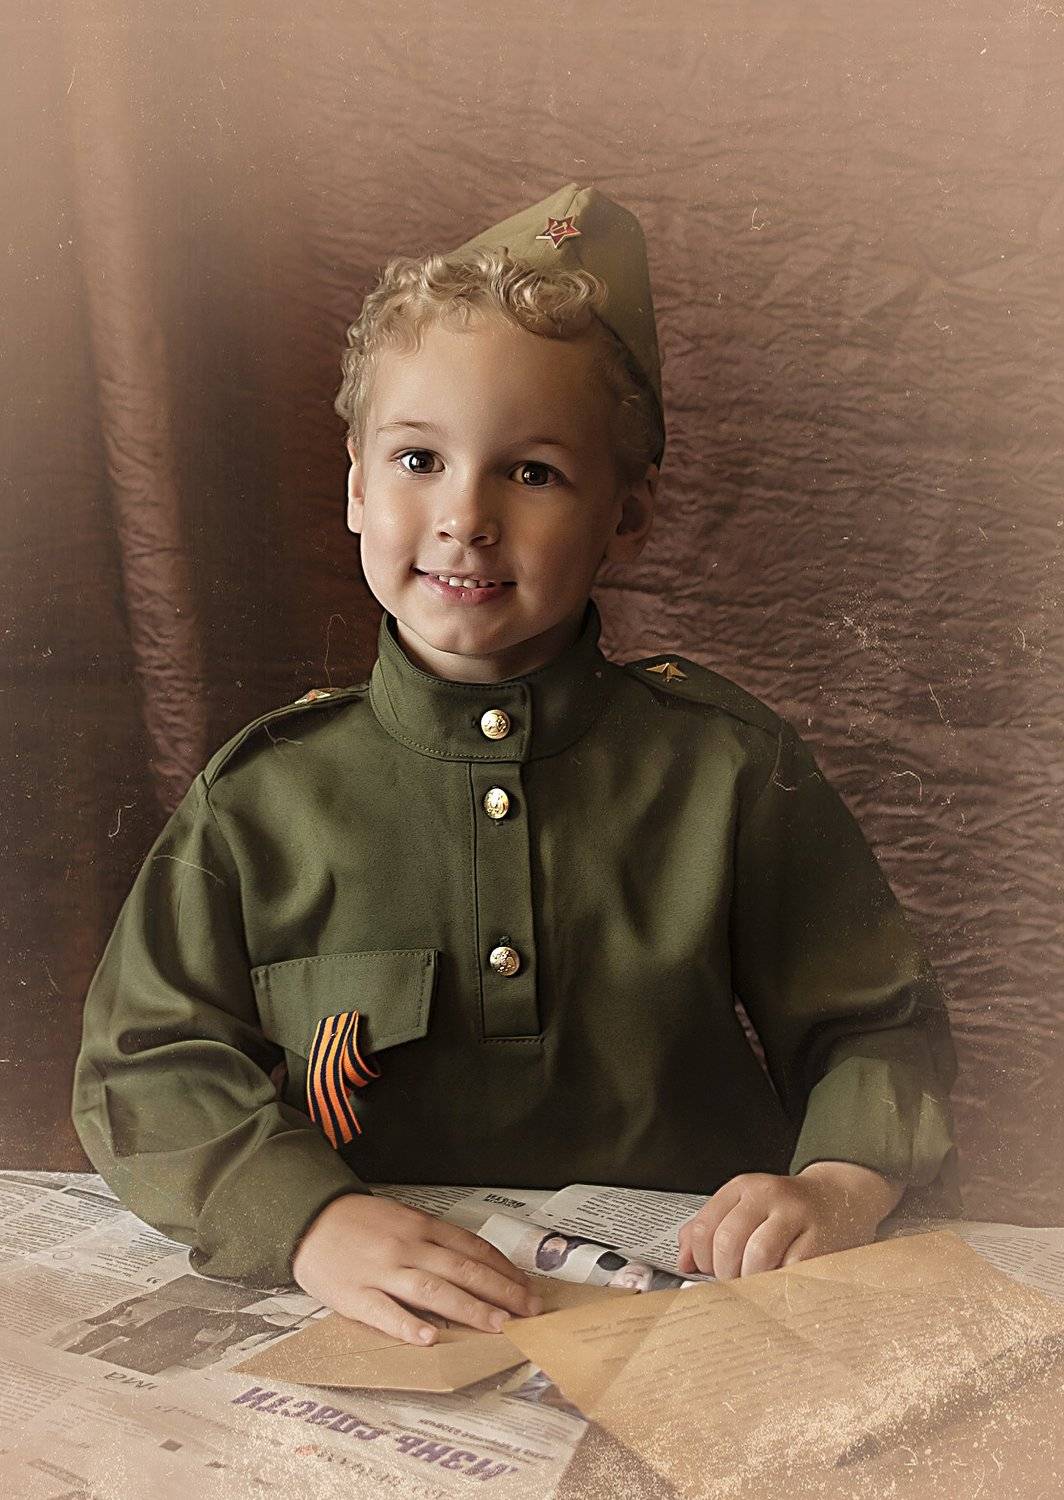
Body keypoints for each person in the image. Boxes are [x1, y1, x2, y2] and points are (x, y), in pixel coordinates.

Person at [72, 182, 960, 1351]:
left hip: (689, 1314)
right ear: (354, 487)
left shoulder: (728, 769)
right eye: (417, 459)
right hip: (385, 1327)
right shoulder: (261, 797)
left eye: (531, 472)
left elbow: (875, 1026)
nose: (465, 517)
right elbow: (141, 1064)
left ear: (625, 515)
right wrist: (308, 1224)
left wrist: (839, 1183)